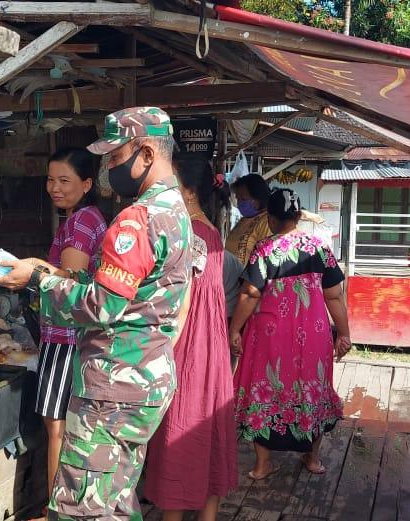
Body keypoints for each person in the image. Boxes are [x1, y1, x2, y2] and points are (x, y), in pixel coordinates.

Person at [0, 107, 193, 521]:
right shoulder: (177, 213)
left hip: (112, 388)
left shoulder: (137, 220)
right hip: (145, 382)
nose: (109, 170)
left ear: (147, 153)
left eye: (116, 158)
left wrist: (38, 281)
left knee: (82, 509)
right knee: (115, 500)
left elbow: (101, 306)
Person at [229, 188, 351, 480]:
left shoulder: (264, 249)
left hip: (270, 335)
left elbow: (249, 293)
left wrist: (235, 329)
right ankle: (312, 458)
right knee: (314, 388)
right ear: (298, 217)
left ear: (270, 218)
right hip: (314, 333)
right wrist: (344, 333)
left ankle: (262, 464)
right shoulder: (319, 248)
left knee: (264, 388)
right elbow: (334, 295)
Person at [142, 154, 237, 521]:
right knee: (207, 435)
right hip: (209, 348)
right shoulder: (209, 231)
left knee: (178, 438)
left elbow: (180, 304)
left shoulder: (191, 233)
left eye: (170, 182)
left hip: (188, 346)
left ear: (188, 191)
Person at [37, 147, 109, 500]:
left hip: (65, 336)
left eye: (64, 180)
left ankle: (54, 507)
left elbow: (70, 278)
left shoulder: (81, 222)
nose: (55, 187)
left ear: (87, 183)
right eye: (51, 179)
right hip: (79, 336)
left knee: (56, 426)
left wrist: (27, 270)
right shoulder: (90, 217)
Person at [226, 174, 272, 264]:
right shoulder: (244, 220)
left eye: (243, 199)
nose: (239, 203)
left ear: (258, 198)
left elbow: (266, 258)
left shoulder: (267, 222)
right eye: (237, 198)